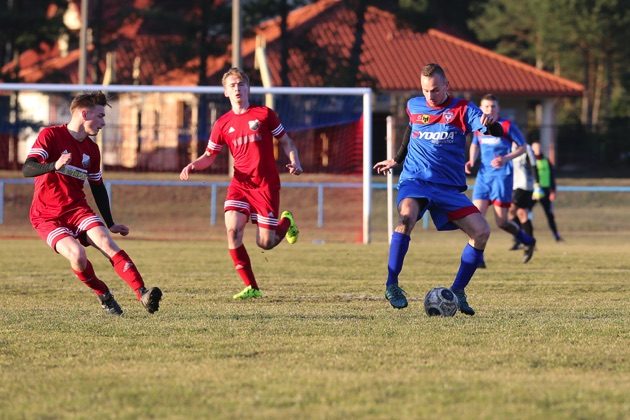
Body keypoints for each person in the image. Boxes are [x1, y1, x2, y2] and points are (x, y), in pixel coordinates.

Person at [373, 63, 505, 316]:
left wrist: (491, 124)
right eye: (425, 91)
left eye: (434, 90)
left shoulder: (463, 109)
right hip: (416, 180)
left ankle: (458, 291)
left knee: (481, 232)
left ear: (447, 86)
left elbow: (490, 129)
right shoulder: (414, 105)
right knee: (406, 216)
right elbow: (411, 131)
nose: (429, 96)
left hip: (447, 187)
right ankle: (392, 284)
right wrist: (396, 160)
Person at [22, 91, 162, 316]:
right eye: (100, 116)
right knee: (77, 256)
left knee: (107, 243)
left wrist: (111, 222)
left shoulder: (91, 150)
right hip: (46, 216)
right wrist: (53, 166)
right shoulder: (51, 135)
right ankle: (103, 294)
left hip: (78, 210)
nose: (103, 123)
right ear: (84, 113)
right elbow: (27, 168)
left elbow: (97, 186)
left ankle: (143, 293)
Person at [180, 67, 303, 300]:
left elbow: (286, 142)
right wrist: (193, 165)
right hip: (240, 185)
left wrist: (294, 161)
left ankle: (286, 221)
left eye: (241, 84)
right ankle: (252, 287)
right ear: (225, 92)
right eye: (232, 86)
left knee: (265, 243)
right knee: (232, 230)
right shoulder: (222, 124)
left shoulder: (264, 114)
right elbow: (209, 156)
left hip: (265, 185)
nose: (237, 89)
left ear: (248, 88)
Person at [465, 94, 536, 264]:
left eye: (493, 107)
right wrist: (472, 160)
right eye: (486, 107)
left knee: (502, 221)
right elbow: (475, 143)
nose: (490, 110)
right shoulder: (479, 126)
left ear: (498, 109)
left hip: (501, 178)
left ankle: (527, 240)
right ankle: (477, 257)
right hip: (483, 177)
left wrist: (505, 158)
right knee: (476, 218)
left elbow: (523, 147)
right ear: (481, 109)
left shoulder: (506, 125)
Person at [508, 142, 538, 250]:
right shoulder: (507, 146)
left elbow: (534, 166)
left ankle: (523, 240)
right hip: (513, 185)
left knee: (511, 210)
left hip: (524, 185)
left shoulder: (527, 148)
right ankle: (528, 241)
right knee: (521, 213)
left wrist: (537, 184)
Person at [531, 141, 563, 241]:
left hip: (545, 191)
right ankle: (523, 237)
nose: (538, 150)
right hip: (533, 191)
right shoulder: (530, 161)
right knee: (524, 212)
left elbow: (552, 177)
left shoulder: (546, 160)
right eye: (535, 148)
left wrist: (553, 191)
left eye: (539, 148)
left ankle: (556, 235)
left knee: (549, 214)